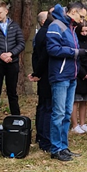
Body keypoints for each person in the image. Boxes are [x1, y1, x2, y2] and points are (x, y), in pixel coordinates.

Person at [46, 2, 87, 162]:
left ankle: (64, 147)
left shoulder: (71, 27)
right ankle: (56, 148)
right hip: (60, 76)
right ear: (73, 12)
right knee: (58, 113)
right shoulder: (56, 25)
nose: (82, 20)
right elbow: (52, 49)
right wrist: (75, 52)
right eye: (81, 16)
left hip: (71, 75)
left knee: (66, 115)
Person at [0, 1, 26, 125]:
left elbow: (21, 43)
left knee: (12, 92)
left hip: (12, 63)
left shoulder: (14, 26)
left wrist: (11, 53)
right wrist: (1, 55)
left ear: (6, 12)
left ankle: (16, 118)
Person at [29, 10, 52, 152]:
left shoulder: (40, 34)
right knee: (46, 107)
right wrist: (37, 73)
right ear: (43, 21)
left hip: (42, 74)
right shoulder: (44, 34)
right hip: (46, 75)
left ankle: (40, 135)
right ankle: (44, 138)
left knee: (43, 106)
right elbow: (42, 56)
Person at [71, 20, 87, 134]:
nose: (84, 33)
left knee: (84, 100)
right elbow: (76, 59)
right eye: (82, 31)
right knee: (75, 100)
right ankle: (75, 124)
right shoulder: (75, 41)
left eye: (86, 31)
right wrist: (82, 73)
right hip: (78, 73)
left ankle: (82, 123)